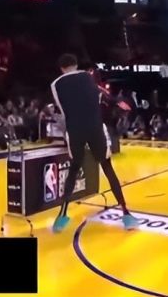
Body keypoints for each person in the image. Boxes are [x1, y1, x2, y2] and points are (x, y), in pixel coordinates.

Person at [49, 54, 137, 233]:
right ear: (76, 64)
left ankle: (62, 216)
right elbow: (104, 95)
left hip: (75, 130)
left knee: (74, 169)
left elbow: (63, 110)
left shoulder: (55, 84)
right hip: (95, 127)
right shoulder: (88, 77)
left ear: (61, 68)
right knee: (107, 167)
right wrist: (118, 102)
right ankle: (126, 213)